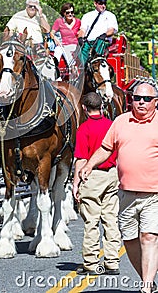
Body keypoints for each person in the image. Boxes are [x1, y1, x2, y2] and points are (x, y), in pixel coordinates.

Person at [78, 82, 158, 293]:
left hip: (154, 193)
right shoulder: (120, 121)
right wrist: (89, 164)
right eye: (137, 98)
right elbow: (106, 148)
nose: (141, 102)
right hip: (126, 192)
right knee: (130, 240)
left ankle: (147, 287)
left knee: (149, 237)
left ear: (155, 102)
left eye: (147, 99)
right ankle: (148, 279)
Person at [72, 92, 120, 275]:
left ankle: (92, 264)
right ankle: (112, 262)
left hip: (92, 177)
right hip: (112, 175)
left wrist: (76, 183)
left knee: (91, 222)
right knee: (110, 220)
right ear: (102, 106)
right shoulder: (111, 126)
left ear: (84, 108)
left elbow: (81, 160)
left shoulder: (83, 129)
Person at [77, 0, 118, 64]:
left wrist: (104, 35)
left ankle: (98, 67)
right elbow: (83, 29)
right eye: (100, 3)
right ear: (95, 3)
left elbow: (111, 30)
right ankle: (82, 71)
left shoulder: (110, 16)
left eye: (104, 3)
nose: (103, 5)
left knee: (98, 55)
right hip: (88, 42)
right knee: (81, 56)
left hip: (102, 41)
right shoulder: (87, 16)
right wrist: (80, 38)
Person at [51, 2, 81, 67]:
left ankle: (73, 70)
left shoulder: (78, 21)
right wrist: (55, 39)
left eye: (72, 12)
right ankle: (56, 70)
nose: (70, 14)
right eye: (68, 13)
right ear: (64, 13)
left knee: (70, 59)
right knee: (57, 52)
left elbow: (82, 32)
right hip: (63, 44)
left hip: (74, 45)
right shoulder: (59, 21)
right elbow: (52, 33)